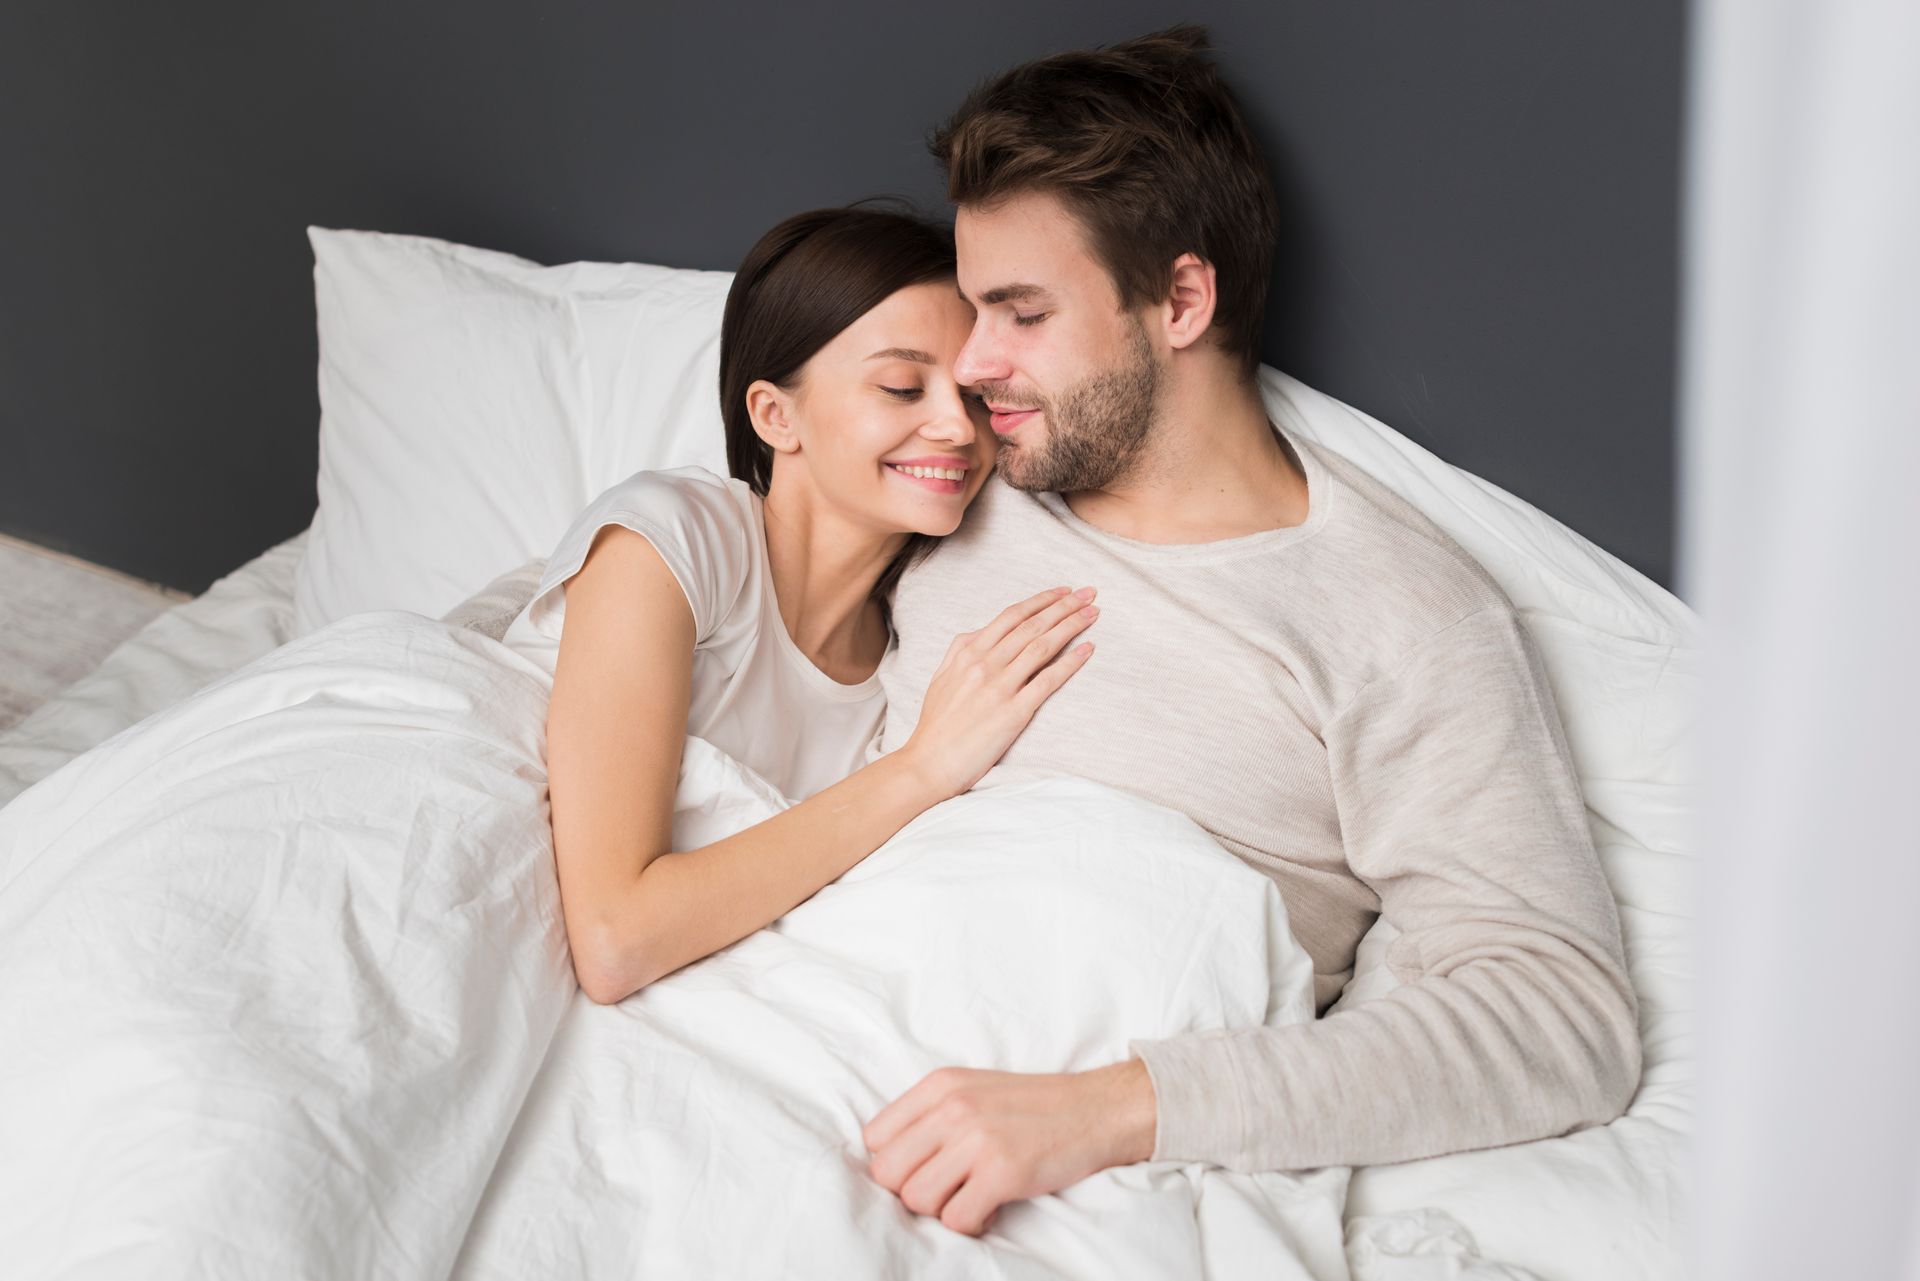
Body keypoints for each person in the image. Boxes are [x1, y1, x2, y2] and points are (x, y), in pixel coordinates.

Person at [858, 26, 1642, 1236]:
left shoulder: (1400, 614)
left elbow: (1560, 1018)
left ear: (1180, 298)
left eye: (1019, 313)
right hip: (816, 1020)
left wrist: (1115, 1110)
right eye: (971, 311)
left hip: (1052, 1157)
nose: (971, 364)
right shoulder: (954, 474)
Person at [499, 206, 1098, 1005]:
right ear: (774, 416)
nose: (958, 427)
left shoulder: (897, 669)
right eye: (900, 385)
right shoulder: (670, 543)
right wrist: (920, 768)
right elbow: (614, 936)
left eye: (971, 392)